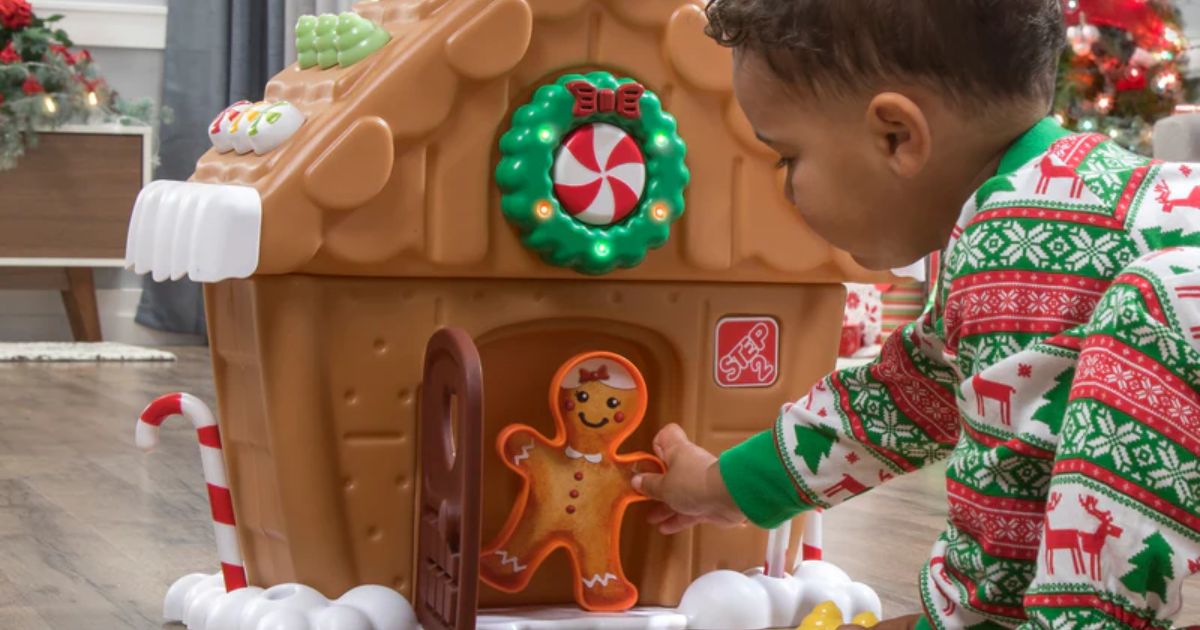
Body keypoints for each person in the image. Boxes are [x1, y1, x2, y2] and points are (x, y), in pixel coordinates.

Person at [632, 1, 1200, 628]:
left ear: (896, 137)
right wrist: (724, 487)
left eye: (787, 157)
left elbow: (1003, 522)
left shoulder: (1016, 239)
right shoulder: (1032, 209)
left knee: (1168, 294)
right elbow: (904, 397)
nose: (788, 190)